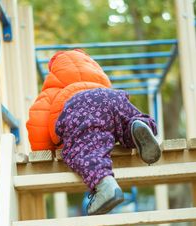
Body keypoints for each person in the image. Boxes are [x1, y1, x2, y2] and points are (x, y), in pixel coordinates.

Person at [26, 49, 161, 215]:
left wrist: (42, 152)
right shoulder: (98, 77)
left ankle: (106, 186)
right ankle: (137, 127)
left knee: (85, 149)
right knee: (123, 123)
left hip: (79, 106)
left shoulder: (52, 91)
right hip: (112, 97)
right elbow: (104, 107)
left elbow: (38, 121)